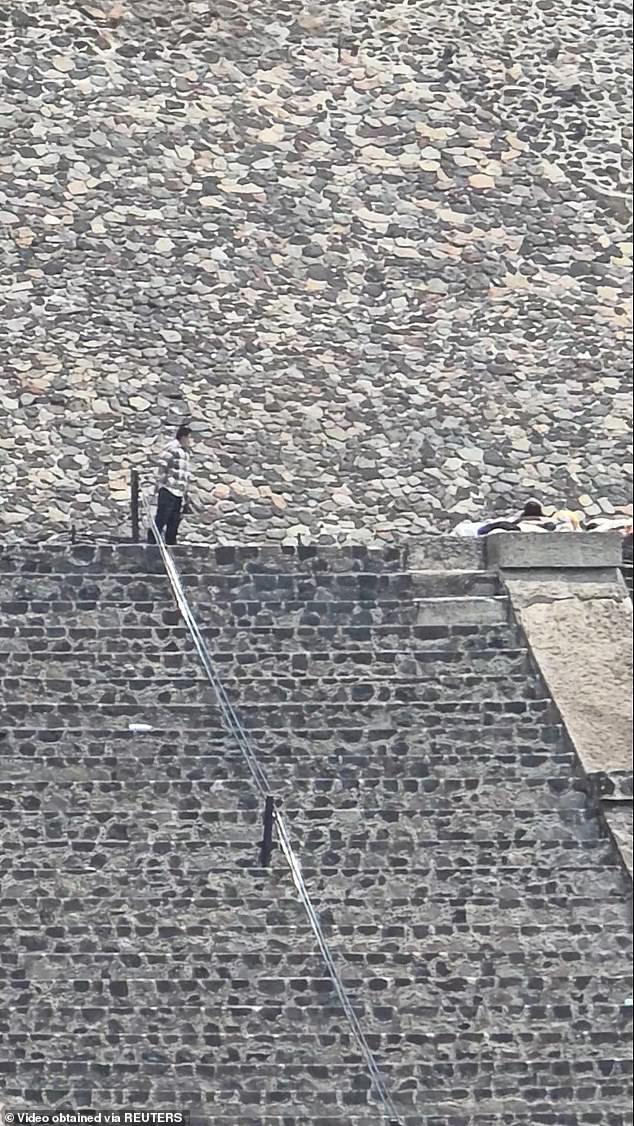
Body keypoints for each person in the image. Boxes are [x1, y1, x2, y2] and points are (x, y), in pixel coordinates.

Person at [147, 423, 193, 545]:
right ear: (183, 437)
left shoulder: (186, 452)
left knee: (174, 519)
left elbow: (185, 473)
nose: (190, 440)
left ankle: (171, 542)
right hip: (169, 488)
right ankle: (153, 540)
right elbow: (162, 464)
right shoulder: (172, 448)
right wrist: (161, 483)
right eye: (189, 437)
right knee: (162, 516)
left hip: (179, 491)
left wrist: (186, 492)